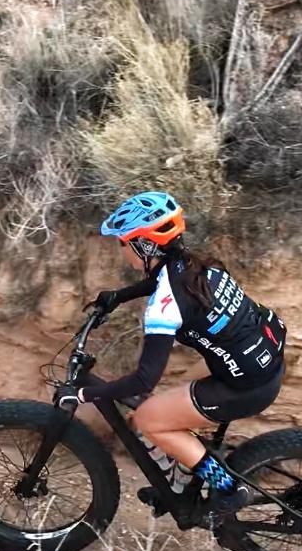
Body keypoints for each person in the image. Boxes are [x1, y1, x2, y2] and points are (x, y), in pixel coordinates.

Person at [53, 191, 288, 525]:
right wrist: (118, 297)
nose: (122, 250)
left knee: (148, 417)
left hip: (246, 384)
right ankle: (180, 480)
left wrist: (83, 394)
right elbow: (161, 280)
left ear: (145, 246)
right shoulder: (193, 263)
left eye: (124, 243)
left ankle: (229, 488)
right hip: (261, 359)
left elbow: (143, 379)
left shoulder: (165, 305)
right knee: (163, 405)